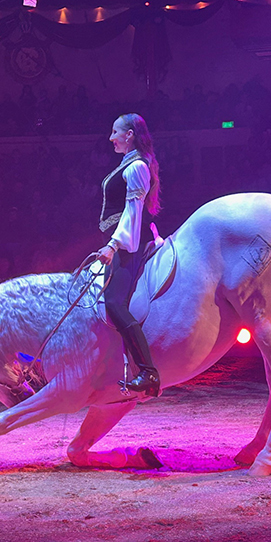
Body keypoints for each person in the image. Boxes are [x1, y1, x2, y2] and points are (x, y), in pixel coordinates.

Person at [94, 113, 162, 397]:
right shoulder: (128, 164)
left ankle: (148, 371)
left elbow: (132, 212)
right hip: (118, 242)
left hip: (128, 245)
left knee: (114, 304)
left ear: (129, 134)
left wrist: (114, 245)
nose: (111, 138)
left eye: (115, 132)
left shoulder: (137, 167)